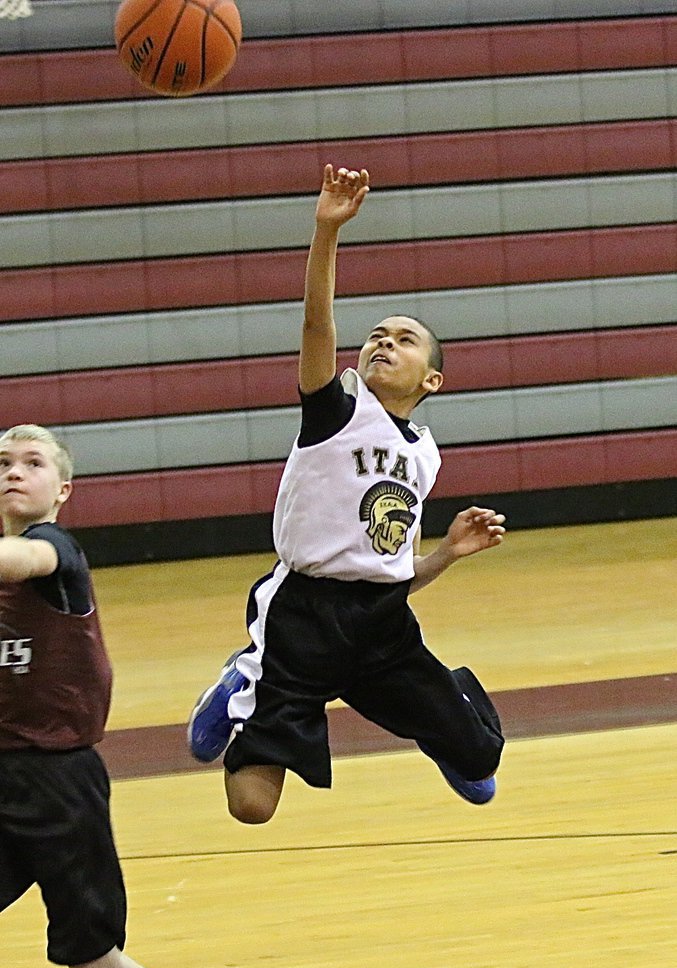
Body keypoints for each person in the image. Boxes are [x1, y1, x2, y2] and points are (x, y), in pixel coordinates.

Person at [188, 164, 506, 823]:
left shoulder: (423, 452)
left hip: (382, 630)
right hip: (302, 623)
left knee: (481, 762)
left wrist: (445, 553)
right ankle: (241, 675)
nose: (385, 341)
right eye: (377, 336)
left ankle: (446, 724)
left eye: (405, 338)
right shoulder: (335, 409)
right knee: (251, 807)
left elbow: (384, 568)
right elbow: (316, 329)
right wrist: (326, 231)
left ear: (434, 379)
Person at [0, 424, 247, 968]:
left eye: (34, 462)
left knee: (88, 950)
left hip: (57, 785)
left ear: (63, 489)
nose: (16, 471)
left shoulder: (56, 554)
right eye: (4, 462)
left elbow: (21, 557)